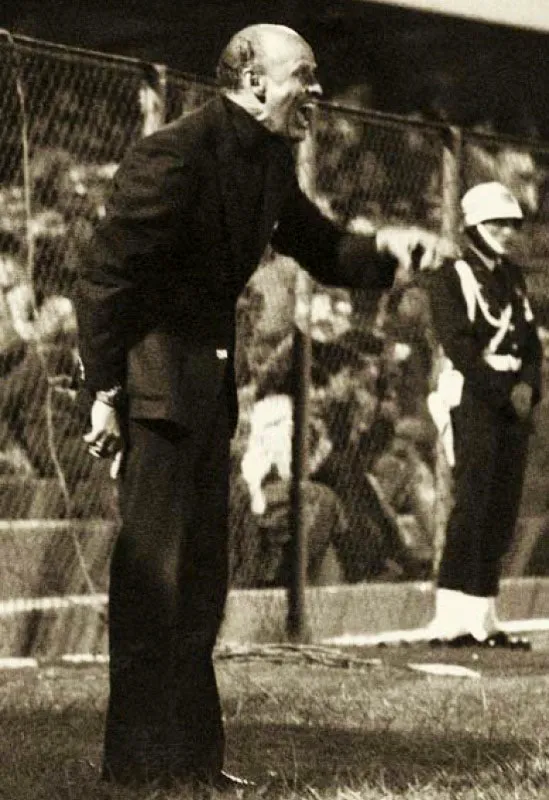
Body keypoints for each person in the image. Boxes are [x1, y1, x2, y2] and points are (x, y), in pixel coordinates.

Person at [75, 23, 455, 790]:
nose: (315, 93)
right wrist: (104, 394)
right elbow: (104, 280)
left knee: (203, 581)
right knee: (153, 582)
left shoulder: (269, 161)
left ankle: (192, 763)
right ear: (252, 81)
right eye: (303, 77)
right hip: (152, 393)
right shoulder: (174, 153)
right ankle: (135, 770)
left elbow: (320, 246)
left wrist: (386, 246)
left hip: (207, 393)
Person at [425, 181, 542, 650]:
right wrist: (502, 393)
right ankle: (452, 618)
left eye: (512, 225)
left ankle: (484, 616)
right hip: (475, 396)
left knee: (502, 507)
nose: (507, 233)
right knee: (472, 503)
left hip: (511, 397)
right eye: (496, 224)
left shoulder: (512, 277)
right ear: (473, 225)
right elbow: (458, 345)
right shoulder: (450, 275)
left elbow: (531, 344)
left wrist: (528, 387)